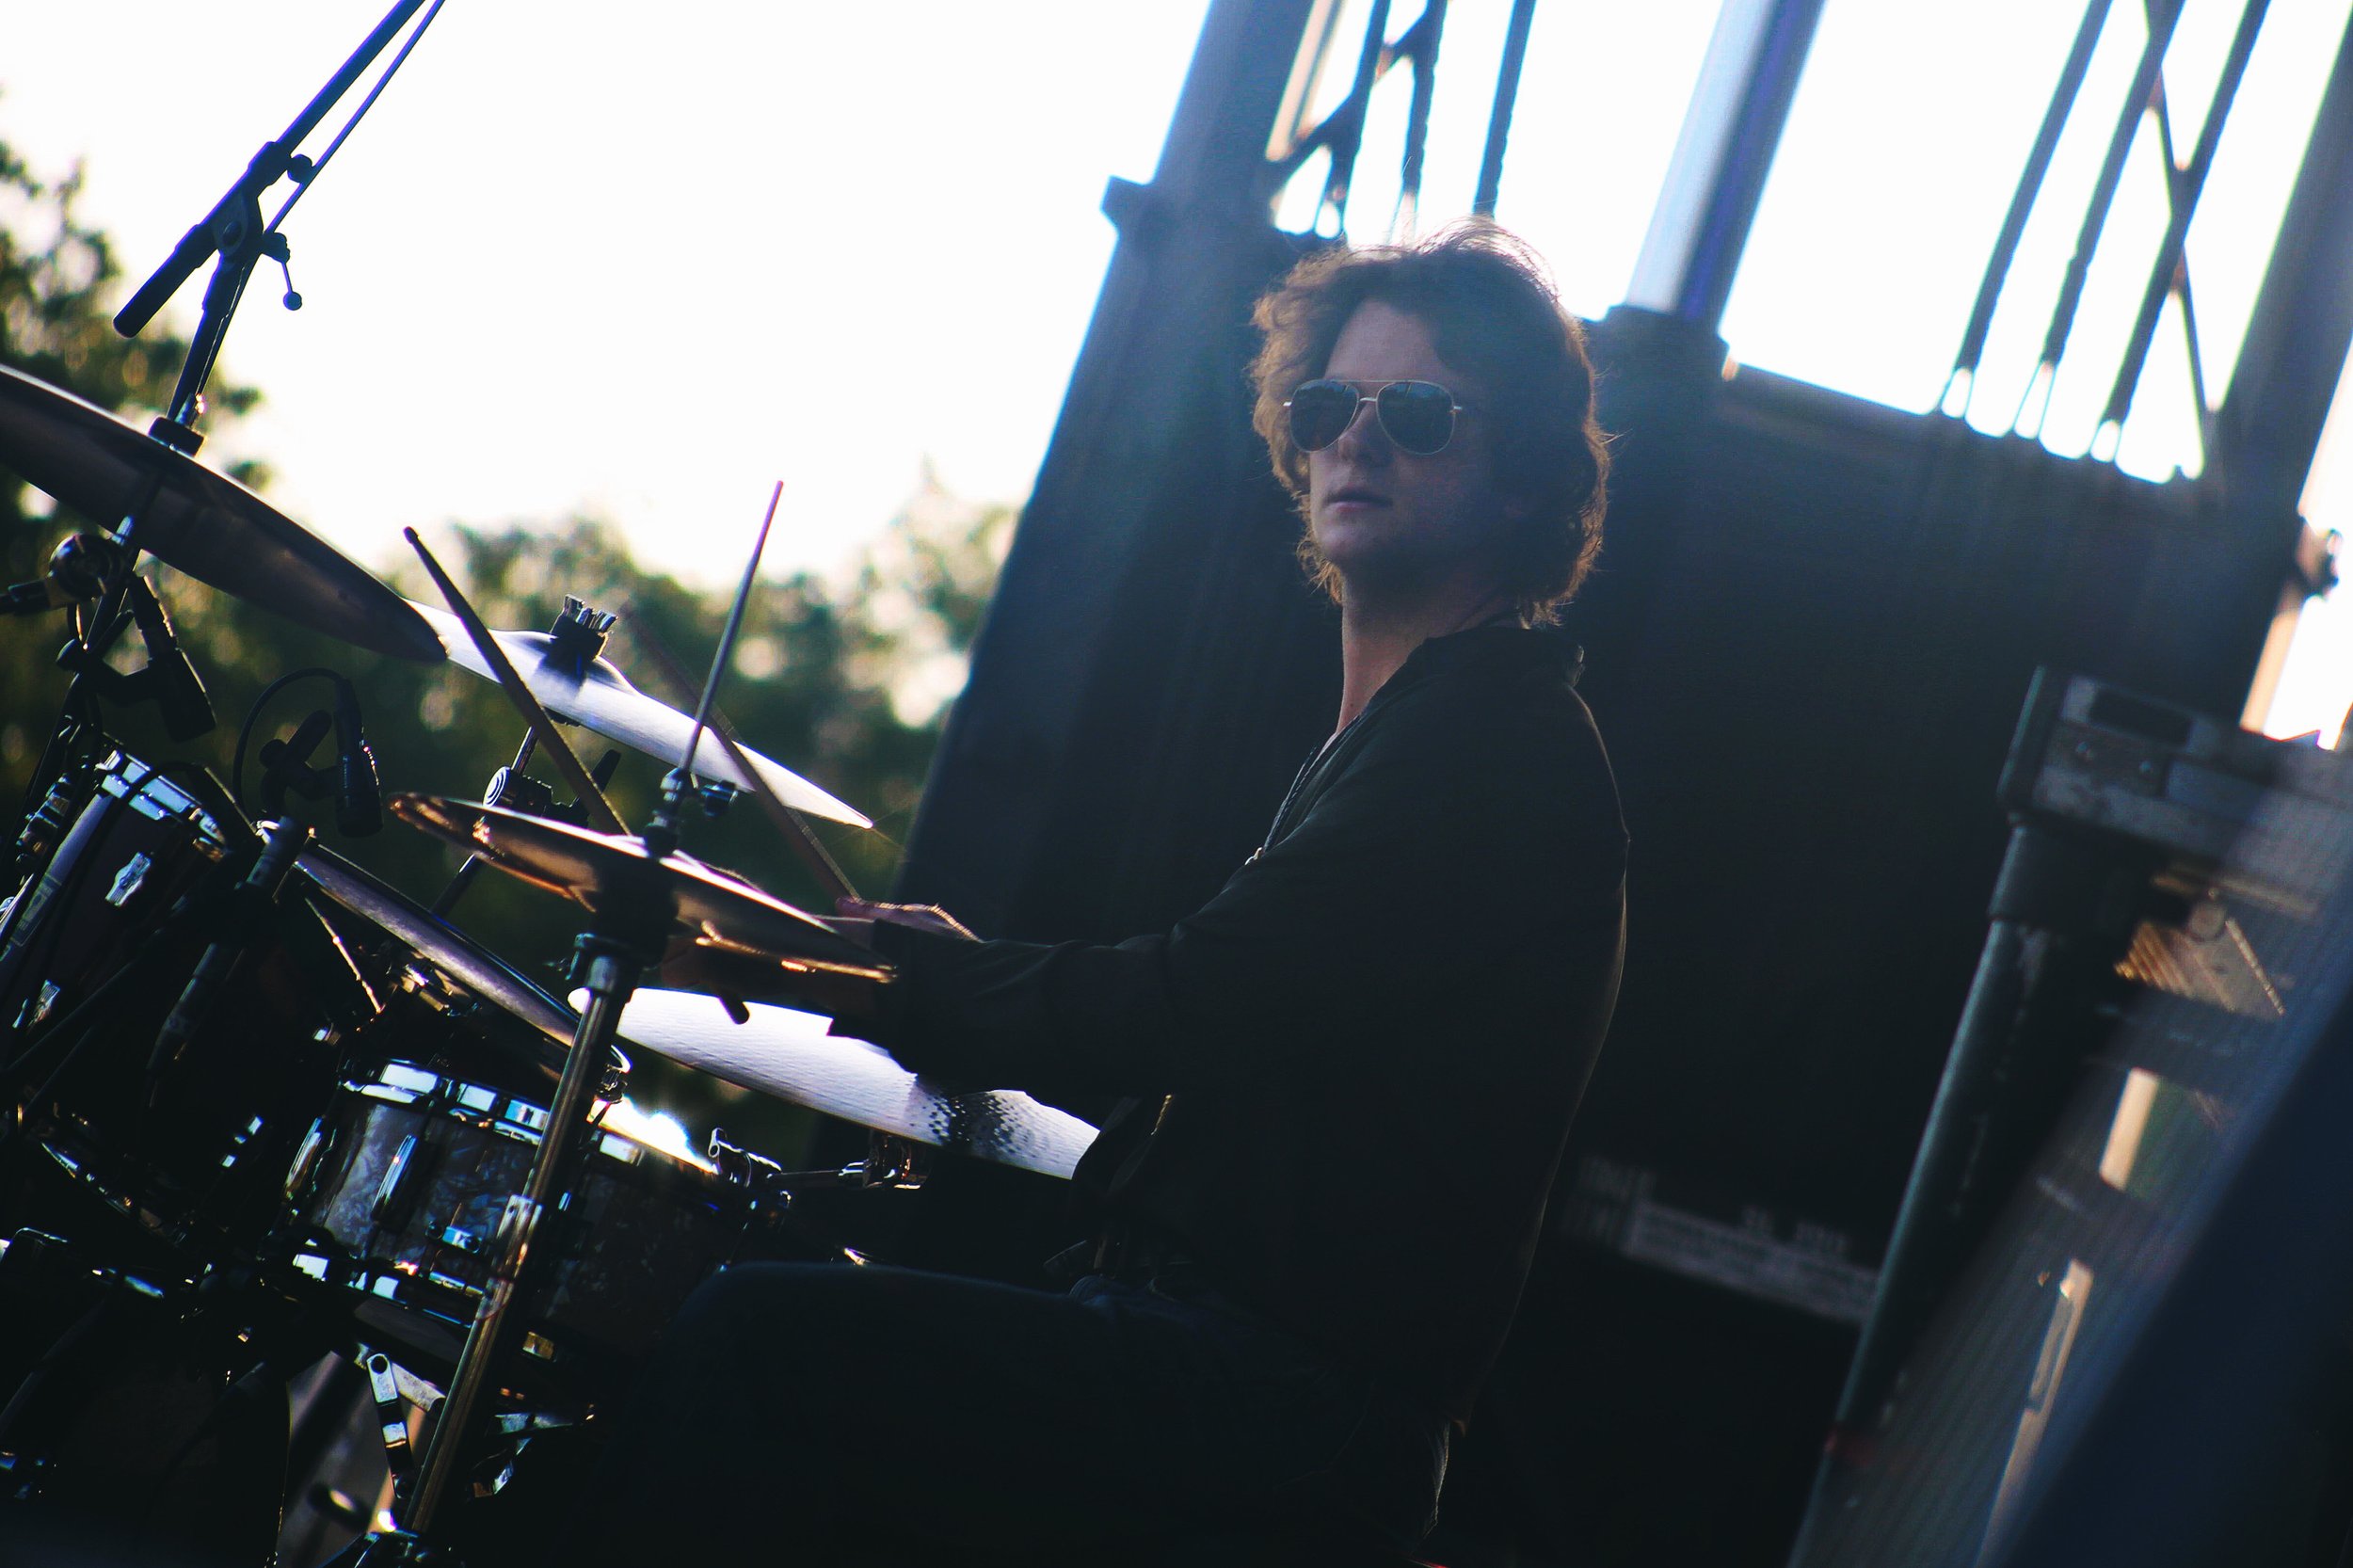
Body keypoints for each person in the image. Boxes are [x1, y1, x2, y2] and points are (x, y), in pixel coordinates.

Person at [565, 222, 1626, 1564]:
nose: (1354, 440)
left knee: (749, 1337)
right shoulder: (1414, 727)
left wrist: (930, 983)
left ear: (1525, 476)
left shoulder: (1493, 744)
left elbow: (1204, 994)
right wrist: (952, 974)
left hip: (1287, 1414)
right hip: (1232, 1375)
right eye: (1326, 407)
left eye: (1416, 414)